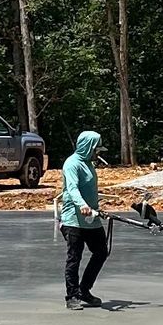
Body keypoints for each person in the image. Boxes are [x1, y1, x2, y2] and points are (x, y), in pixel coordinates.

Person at [58, 129, 110, 308]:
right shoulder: (72, 164)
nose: (98, 153)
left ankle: (84, 290)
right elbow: (72, 189)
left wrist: (96, 206)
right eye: (96, 149)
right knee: (75, 257)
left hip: (91, 217)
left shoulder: (88, 164)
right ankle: (72, 296)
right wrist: (82, 205)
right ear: (88, 147)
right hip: (74, 219)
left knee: (101, 251)